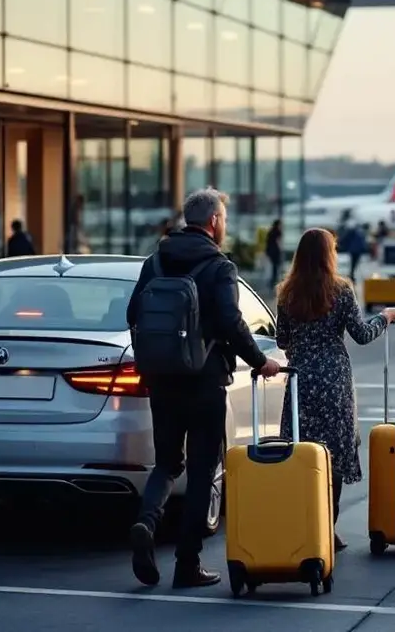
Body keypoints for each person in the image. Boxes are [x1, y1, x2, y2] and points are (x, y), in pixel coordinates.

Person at [125, 188, 281, 589]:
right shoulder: (219, 266)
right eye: (223, 218)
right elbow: (231, 321)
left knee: (167, 464)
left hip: (162, 379)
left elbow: (132, 313)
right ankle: (187, 564)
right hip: (205, 381)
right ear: (213, 221)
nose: (224, 224)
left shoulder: (156, 261)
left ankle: (146, 523)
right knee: (201, 471)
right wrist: (259, 360)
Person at [274, 227, 395, 551]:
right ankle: (327, 529)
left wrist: (301, 347)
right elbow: (362, 334)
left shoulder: (287, 293)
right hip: (334, 381)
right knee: (333, 456)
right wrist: (385, 317)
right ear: (329, 255)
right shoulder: (341, 290)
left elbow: (282, 340)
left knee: (302, 453)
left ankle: (303, 526)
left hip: (301, 379)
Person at [264, 218, 283, 291]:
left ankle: (272, 281)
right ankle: (274, 281)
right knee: (276, 266)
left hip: (270, 251)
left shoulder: (270, 231)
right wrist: (280, 249)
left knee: (273, 266)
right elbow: (278, 242)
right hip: (276, 251)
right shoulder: (278, 231)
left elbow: (267, 242)